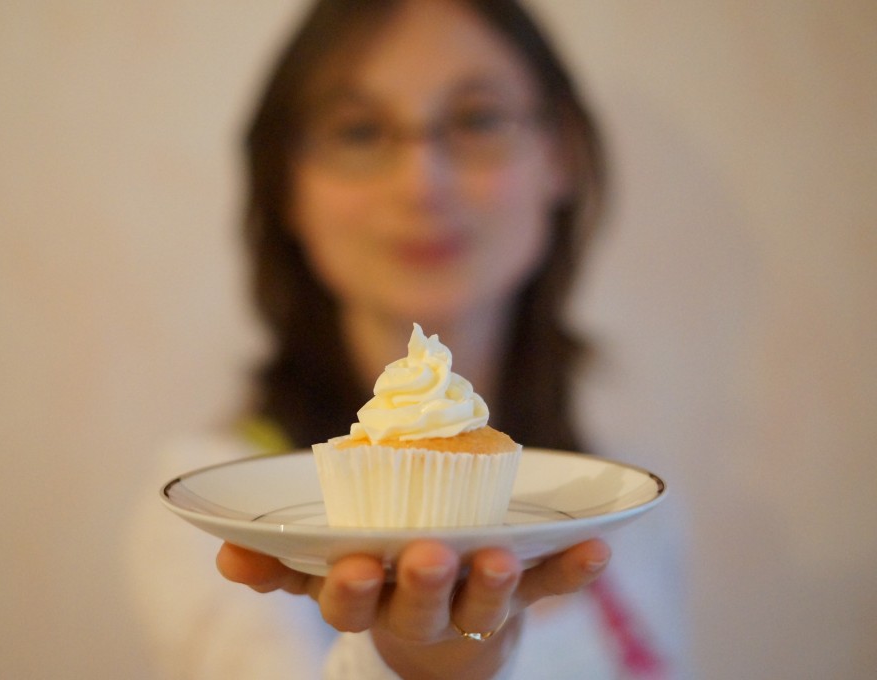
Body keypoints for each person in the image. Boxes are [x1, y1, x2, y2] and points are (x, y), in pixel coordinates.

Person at [126, 0, 686, 677]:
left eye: (478, 119)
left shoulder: (624, 498)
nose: (423, 183)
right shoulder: (214, 510)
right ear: (287, 189)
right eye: (359, 132)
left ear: (560, 154)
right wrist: (421, 666)